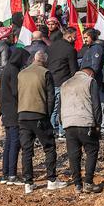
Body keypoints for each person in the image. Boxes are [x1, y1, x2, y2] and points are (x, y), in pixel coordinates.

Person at [16, 50, 65, 194]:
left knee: (26, 150)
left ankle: (28, 183)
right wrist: (48, 116)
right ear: (44, 61)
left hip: (23, 115)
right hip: (39, 114)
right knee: (49, 147)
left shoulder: (21, 73)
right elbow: (51, 97)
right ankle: (51, 180)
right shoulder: (46, 73)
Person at [60, 65, 103, 193]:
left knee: (73, 154)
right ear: (90, 74)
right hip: (85, 121)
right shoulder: (90, 81)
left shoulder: (65, 84)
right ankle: (88, 182)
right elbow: (96, 104)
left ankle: (77, 184)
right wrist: (98, 124)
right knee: (92, 150)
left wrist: (62, 122)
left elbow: (59, 106)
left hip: (68, 123)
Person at [0, 46, 27, 185]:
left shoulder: (5, 70)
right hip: (14, 110)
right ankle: (12, 175)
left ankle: (5, 174)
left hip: (6, 110)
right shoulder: (14, 70)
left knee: (9, 143)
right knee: (15, 143)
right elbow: (16, 91)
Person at [47, 26, 80, 138]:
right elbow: (74, 69)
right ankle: (62, 130)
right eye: (75, 37)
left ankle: (51, 129)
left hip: (51, 80)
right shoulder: (70, 50)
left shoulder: (52, 46)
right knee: (62, 107)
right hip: (64, 81)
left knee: (53, 107)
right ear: (69, 37)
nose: (76, 39)